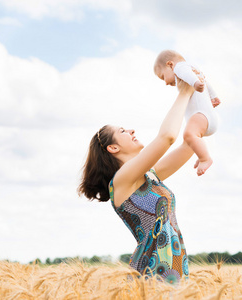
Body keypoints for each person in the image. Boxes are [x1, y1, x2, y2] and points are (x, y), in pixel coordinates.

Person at [78, 80, 196, 285]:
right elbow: (167, 137)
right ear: (113, 148)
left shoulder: (150, 175)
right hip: (152, 273)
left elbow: (190, 143)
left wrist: (202, 106)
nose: (131, 130)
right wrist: (184, 92)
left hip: (174, 269)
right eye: (123, 131)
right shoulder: (122, 180)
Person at [154, 50, 221, 176]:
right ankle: (201, 153)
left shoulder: (180, 67)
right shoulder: (193, 69)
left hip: (202, 115)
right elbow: (205, 81)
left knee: (188, 134)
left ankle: (205, 158)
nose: (166, 83)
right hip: (207, 117)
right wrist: (213, 96)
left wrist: (195, 83)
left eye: (163, 76)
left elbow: (189, 76)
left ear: (170, 65)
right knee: (192, 138)